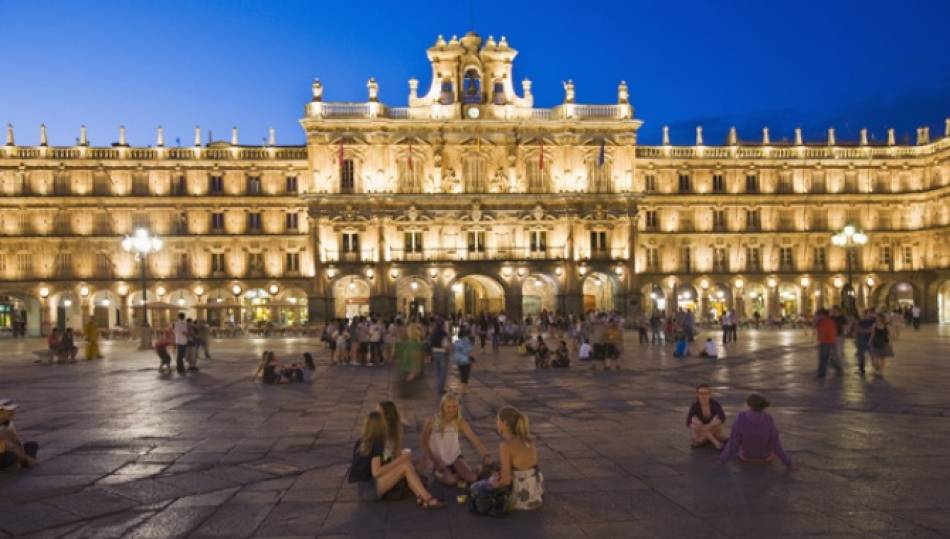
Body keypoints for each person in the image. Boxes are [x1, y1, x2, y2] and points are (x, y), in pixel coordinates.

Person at [348, 411, 444, 508]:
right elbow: (376, 472)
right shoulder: (377, 443)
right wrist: (401, 459)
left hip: (364, 488)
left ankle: (421, 497)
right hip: (371, 489)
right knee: (405, 465)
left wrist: (398, 458)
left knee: (406, 465)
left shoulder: (361, 441)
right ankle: (428, 499)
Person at [471, 406, 543, 511]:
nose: (496, 423)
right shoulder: (527, 439)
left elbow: (506, 481)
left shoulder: (506, 445)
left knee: (476, 488)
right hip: (535, 492)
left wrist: (492, 484)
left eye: (497, 420)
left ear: (504, 423)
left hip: (520, 496)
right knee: (492, 470)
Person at [420, 393, 492, 486]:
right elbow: (424, 442)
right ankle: (445, 473)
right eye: (448, 406)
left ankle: (476, 469)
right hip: (438, 459)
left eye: (454, 406)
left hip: (454, 457)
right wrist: (434, 460)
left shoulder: (460, 421)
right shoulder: (432, 420)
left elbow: (475, 439)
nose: (451, 410)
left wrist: (485, 455)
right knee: (450, 480)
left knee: (472, 478)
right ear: (442, 407)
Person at [719, 394, 791, 468]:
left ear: (749, 405)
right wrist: (787, 462)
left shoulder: (741, 417)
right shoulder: (768, 418)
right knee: (771, 440)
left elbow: (733, 443)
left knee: (733, 441)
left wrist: (722, 459)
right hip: (765, 457)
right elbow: (776, 443)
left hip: (747, 457)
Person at [0, 400, 39, 471]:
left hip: (5, 452)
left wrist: (23, 454)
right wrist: (24, 457)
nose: (12, 413)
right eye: (9, 410)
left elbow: (16, 441)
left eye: (13, 410)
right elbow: (8, 445)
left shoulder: (8, 423)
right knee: (14, 453)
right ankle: (23, 461)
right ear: (1, 411)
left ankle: (23, 461)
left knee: (32, 445)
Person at [686, 384, 727, 449]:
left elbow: (722, 418)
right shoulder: (695, 406)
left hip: (713, 429)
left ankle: (702, 439)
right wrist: (698, 424)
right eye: (701, 393)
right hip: (701, 429)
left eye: (706, 393)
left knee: (717, 419)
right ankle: (716, 442)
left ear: (710, 394)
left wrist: (708, 426)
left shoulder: (715, 404)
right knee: (694, 421)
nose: (703, 396)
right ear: (697, 395)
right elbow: (688, 422)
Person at [814, 309, 842, 378]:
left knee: (823, 358)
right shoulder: (831, 321)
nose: (816, 316)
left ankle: (821, 374)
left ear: (821, 315)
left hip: (825, 342)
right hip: (832, 341)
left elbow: (823, 332)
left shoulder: (822, 322)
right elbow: (834, 330)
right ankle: (838, 369)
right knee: (830, 358)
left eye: (817, 315)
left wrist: (819, 342)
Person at [429, 319, 450, 394]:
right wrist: (448, 350)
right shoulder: (444, 333)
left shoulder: (433, 333)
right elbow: (445, 345)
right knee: (443, 371)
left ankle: (438, 386)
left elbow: (430, 343)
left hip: (435, 352)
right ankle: (440, 388)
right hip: (442, 353)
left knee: (437, 370)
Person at [452, 329, 475, 394]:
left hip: (459, 361)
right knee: (466, 375)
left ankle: (462, 388)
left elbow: (454, 351)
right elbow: (469, 350)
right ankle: (464, 389)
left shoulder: (456, 342)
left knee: (462, 374)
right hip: (466, 361)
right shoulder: (467, 341)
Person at [854, 309, 875, 375]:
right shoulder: (860, 321)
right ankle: (861, 368)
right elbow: (856, 329)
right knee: (860, 354)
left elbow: (871, 330)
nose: (865, 315)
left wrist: (862, 330)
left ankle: (875, 369)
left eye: (867, 314)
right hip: (860, 340)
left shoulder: (873, 320)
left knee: (872, 355)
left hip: (869, 340)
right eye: (864, 314)